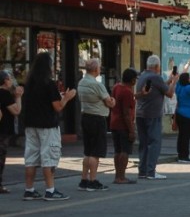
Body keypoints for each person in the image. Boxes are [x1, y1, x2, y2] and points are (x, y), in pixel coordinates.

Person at [21, 52, 77, 200]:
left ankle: (29, 189)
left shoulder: (29, 83)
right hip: (47, 125)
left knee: (31, 158)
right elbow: (58, 106)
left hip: (30, 124)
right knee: (49, 157)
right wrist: (67, 97)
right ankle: (50, 190)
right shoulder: (48, 83)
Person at [135, 55, 177, 180]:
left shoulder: (143, 76)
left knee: (143, 143)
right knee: (154, 143)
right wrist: (174, 81)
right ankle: (151, 171)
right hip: (153, 114)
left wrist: (168, 81)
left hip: (140, 114)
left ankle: (142, 171)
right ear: (157, 67)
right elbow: (169, 93)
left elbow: (158, 88)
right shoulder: (155, 77)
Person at [77, 58, 116, 192]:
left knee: (87, 151)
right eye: (99, 67)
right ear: (95, 69)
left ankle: (84, 179)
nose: (100, 69)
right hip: (97, 118)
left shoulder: (81, 83)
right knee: (96, 151)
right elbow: (109, 102)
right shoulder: (97, 84)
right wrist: (113, 101)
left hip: (85, 116)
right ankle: (93, 180)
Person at [110, 68, 138, 184]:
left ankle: (117, 176)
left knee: (117, 150)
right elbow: (126, 113)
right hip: (123, 125)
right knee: (125, 151)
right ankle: (121, 177)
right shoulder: (127, 92)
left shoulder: (116, 87)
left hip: (114, 122)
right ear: (132, 80)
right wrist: (131, 130)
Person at [0, 70, 23, 193]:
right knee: (1, 156)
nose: (11, 81)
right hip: (3, 129)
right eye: (9, 79)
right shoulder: (4, 94)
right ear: (5, 81)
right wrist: (18, 97)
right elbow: (16, 111)